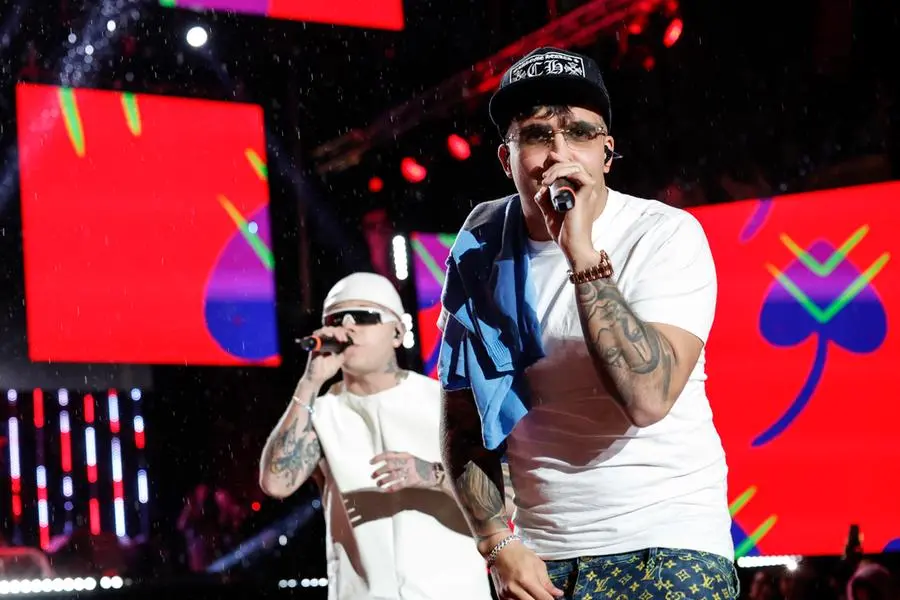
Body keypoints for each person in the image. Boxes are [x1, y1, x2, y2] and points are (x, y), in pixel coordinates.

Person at [438, 47, 737, 600]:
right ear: (506, 159)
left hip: (668, 545)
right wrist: (497, 543)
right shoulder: (482, 245)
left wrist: (581, 254)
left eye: (579, 132)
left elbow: (647, 397)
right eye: (536, 135)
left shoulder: (663, 234)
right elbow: (462, 420)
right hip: (542, 561)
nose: (559, 152)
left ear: (607, 152)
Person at [259, 272, 492, 600]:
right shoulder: (322, 413)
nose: (348, 327)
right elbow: (275, 483)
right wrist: (310, 382)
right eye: (336, 320)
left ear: (397, 332)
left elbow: (505, 495)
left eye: (363, 317)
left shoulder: (444, 402)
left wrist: (434, 475)